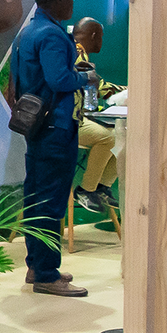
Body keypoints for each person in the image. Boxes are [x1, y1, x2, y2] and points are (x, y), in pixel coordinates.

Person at [14, 0, 100, 297]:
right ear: (52, 0)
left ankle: (37, 265)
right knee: (51, 203)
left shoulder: (28, 32)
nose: (72, 4)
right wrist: (86, 77)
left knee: (36, 197)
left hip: (37, 126)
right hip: (56, 127)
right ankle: (47, 275)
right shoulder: (51, 34)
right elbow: (59, 79)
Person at [72, 17, 125, 213]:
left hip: (77, 116)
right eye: (101, 36)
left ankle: (102, 187)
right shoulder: (76, 53)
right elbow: (100, 88)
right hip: (69, 121)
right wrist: (129, 90)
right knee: (110, 137)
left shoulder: (79, 54)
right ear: (94, 35)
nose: (102, 41)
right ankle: (86, 190)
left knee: (122, 135)